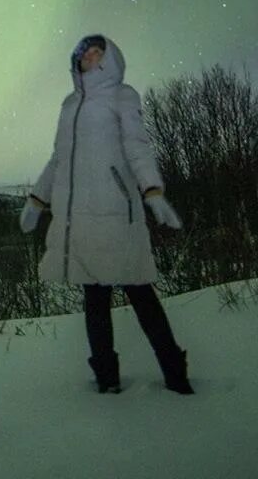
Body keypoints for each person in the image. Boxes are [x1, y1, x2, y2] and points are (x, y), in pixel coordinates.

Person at [20, 34, 194, 395]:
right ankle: (106, 381)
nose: (91, 58)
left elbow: (136, 145)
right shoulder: (70, 105)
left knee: (142, 296)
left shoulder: (122, 95)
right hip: (79, 219)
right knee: (95, 303)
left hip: (116, 213)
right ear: (77, 62)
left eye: (98, 53)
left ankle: (176, 376)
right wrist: (38, 199)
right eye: (85, 55)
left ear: (110, 59)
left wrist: (153, 190)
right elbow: (59, 158)